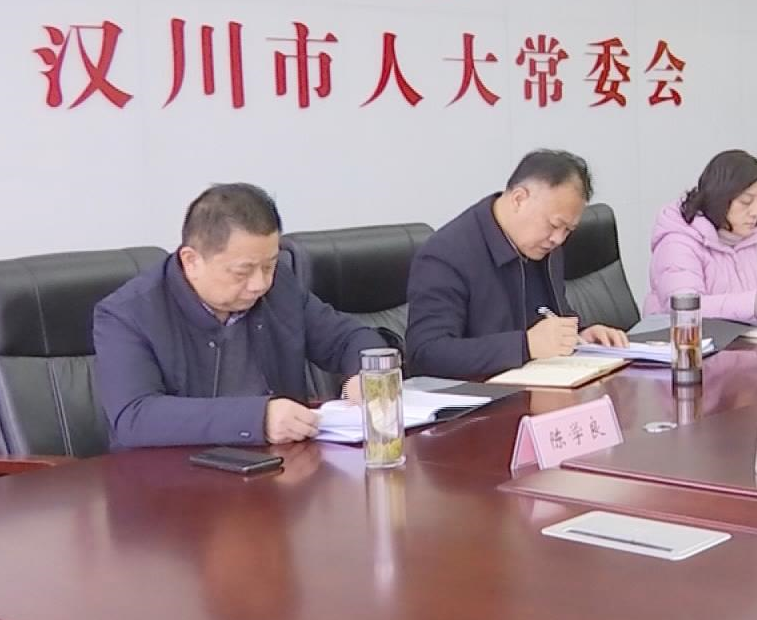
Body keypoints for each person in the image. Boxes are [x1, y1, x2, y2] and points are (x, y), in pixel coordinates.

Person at [94, 184, 387, 450]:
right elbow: (135, 417)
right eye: (242, 272)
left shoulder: (279, 287)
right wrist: (258, 419)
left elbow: (350, 338)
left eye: (270, 265)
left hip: (280, 470)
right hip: (172, 479)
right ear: (191, 261)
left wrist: (365, 376)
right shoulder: (127, 314)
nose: (260, 284)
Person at [406, 150, 628, 380]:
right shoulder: (446, 255)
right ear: (519, 199)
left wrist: (581, 335)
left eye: (568, 230)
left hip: (541, 387)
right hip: (479, 397)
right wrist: (525, 345)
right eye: (554, 225)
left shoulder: (544, 245)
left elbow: (547, 313)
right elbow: (426, 354)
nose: (558, 239)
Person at [645, 150, 757, 319]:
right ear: (719, 199)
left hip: (747, 339)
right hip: (684, 342)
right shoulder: (678, 242)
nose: (756, 212)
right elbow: (685, 309)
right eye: (746, 202)